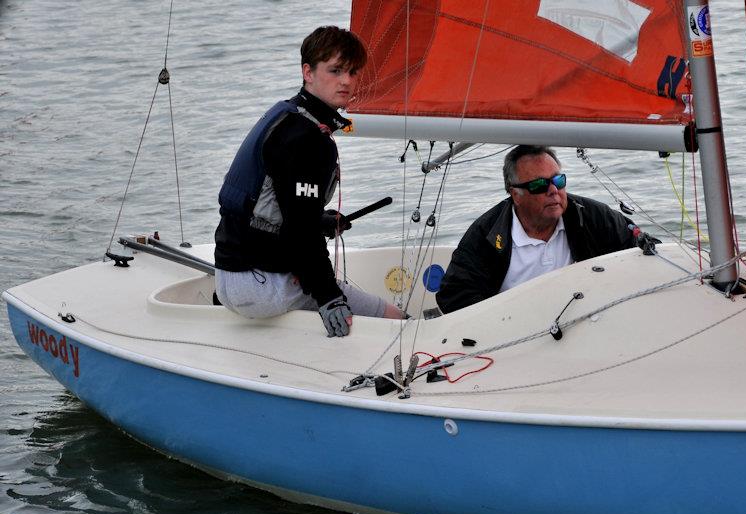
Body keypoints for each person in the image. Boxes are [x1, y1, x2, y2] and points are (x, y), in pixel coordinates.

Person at [213, 26, 404, 337]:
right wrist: (329, 298)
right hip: (259, 285)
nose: (346, 81)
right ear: (308, 72)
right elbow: (300, 235)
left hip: (229, 277)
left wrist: (318, 219)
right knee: (395, 319)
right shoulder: (309, 140)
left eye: (353, 72)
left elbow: (283, 209)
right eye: (335, 70)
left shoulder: (287, 115)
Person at [436, 145, 640, 314]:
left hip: (585, 322)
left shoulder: (592, 216)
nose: (553, 191)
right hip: (513, 333)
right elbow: (453, 295)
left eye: (558, 181)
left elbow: (643, 251)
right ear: (516, 195)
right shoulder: (487, 233)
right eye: (539, 185)